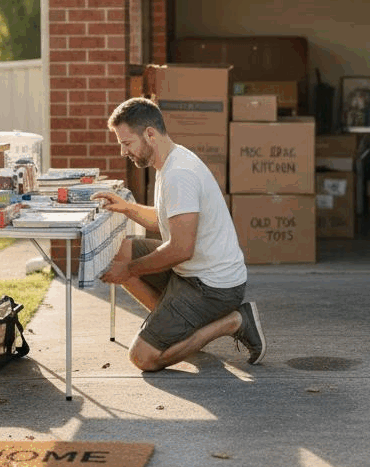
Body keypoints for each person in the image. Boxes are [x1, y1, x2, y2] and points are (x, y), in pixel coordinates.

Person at [91, 98, 265, 372]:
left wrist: (129, 270)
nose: (123, 152)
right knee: (120, 251)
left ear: (149, 134)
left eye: (126, 143)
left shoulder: (179, 174)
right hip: (191, 273)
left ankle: (233, 322)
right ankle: (177, 328)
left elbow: (182, 248)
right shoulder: (170, 161)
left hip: (213, 287)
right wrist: (127, 208)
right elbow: (169, 222)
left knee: (143, 357)